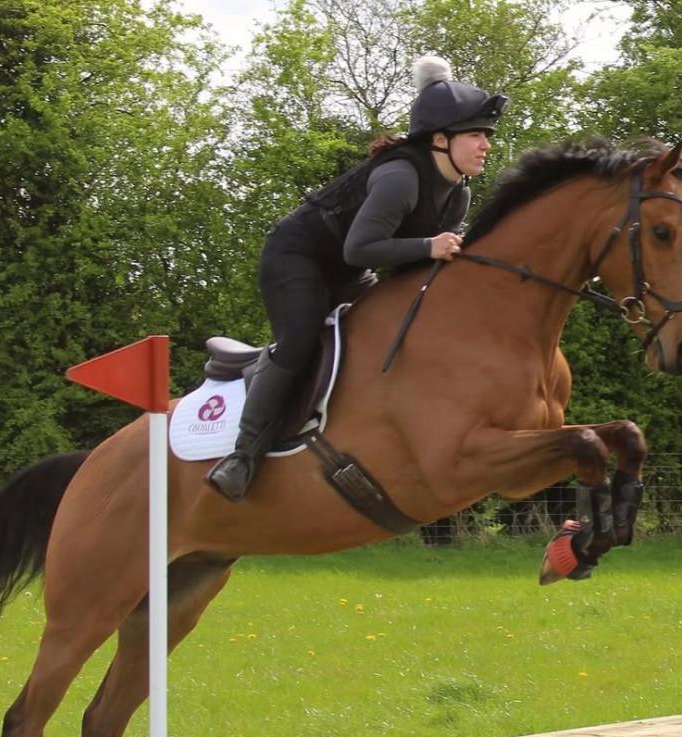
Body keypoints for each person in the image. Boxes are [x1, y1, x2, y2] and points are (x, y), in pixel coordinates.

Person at [206, 55, 507, 502]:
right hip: (298, 258)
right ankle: (241, 457)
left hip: (350, 271)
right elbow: (360, 248)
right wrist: (430, 247)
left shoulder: (458, 193)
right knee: (300, 339)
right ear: (441, 140)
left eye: (487, 136)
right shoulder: (400, 177)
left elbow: (408, 269)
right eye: (477, 135)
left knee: (392, 327)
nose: (486, 145)